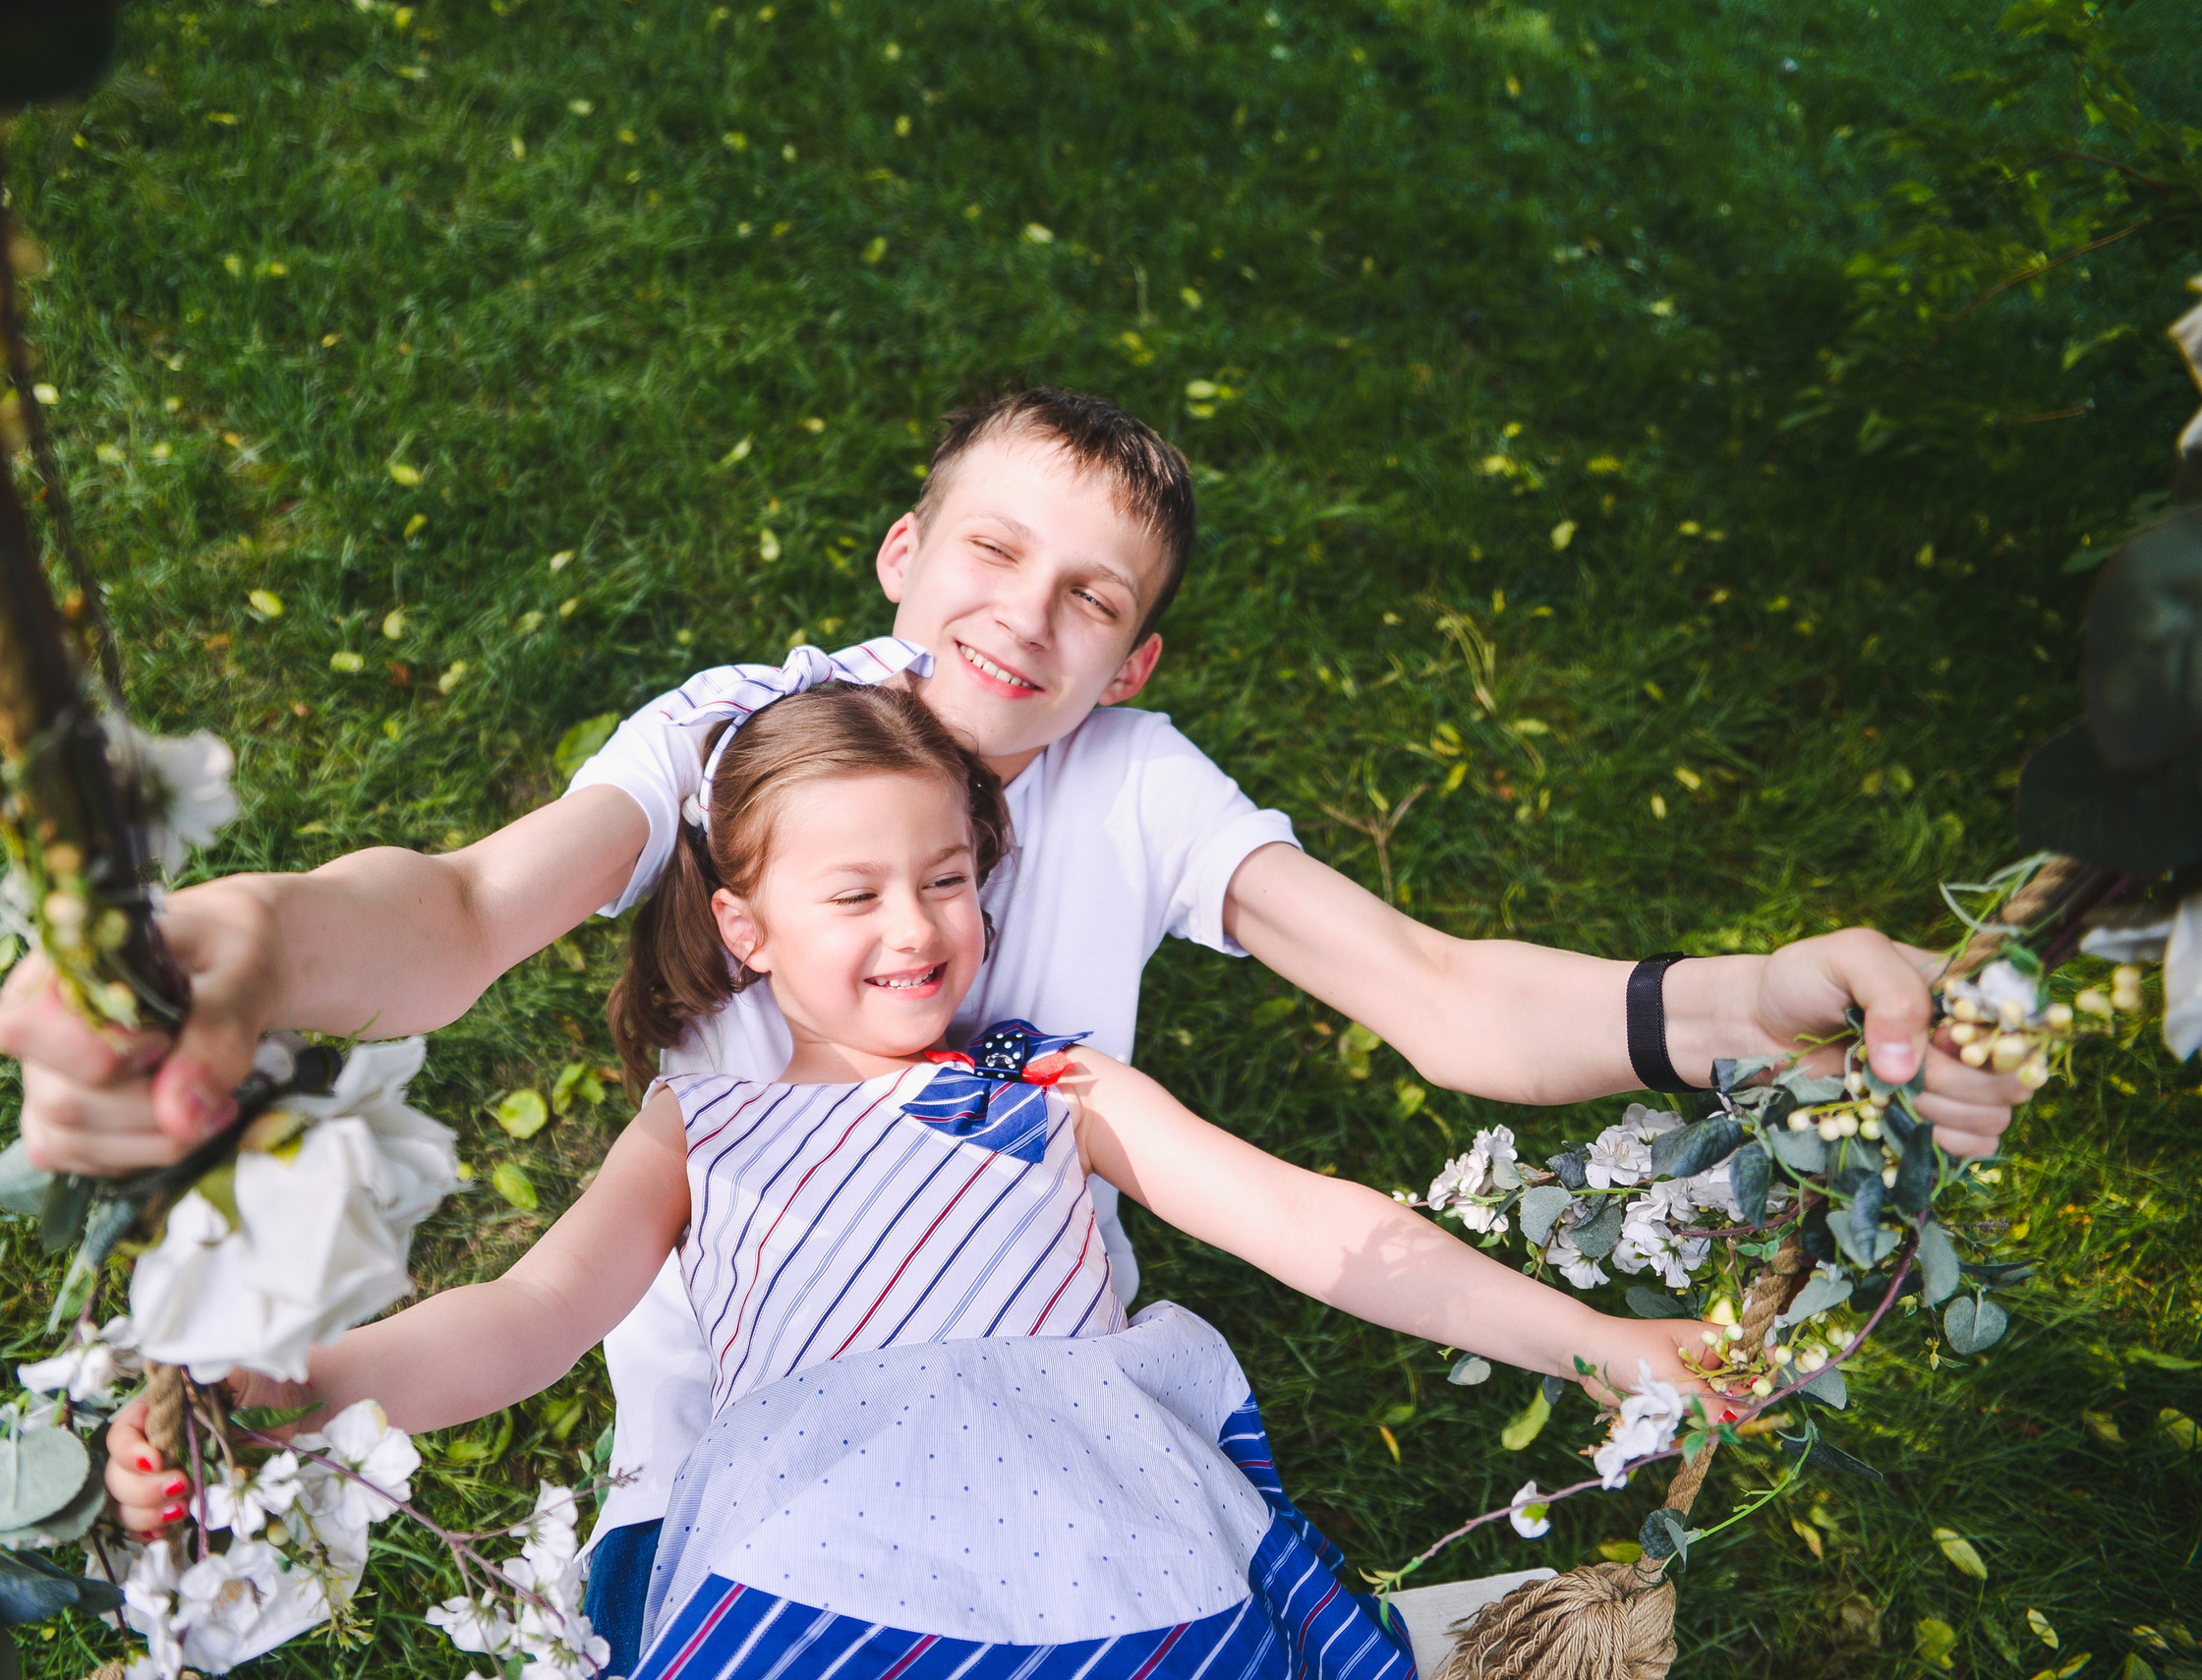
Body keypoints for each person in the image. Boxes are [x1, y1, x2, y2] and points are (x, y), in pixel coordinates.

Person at [0, 388, 2027, 1658]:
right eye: (989, 549)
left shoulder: (1125, 817)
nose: (1020, 617)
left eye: (1087, 597)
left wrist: (1742, 1008)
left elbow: (1429, 1005)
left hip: (1071, 1435)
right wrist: (223, 946)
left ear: (1129, 662)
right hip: (740, 1475)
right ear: (903, 552)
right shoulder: (732, 747)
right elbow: (450, 918)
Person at [102, 680, 1734, 1677]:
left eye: (948, 878)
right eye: (856, 892)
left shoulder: (1059, 1089)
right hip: (810, 1550)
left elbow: (1329, 1228)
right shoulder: (703, 1125)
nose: (916, 927)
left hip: (1097, 1530)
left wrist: (1609, 1342)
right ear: (743, 929)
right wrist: (305, 1387)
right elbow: (529, 1316)